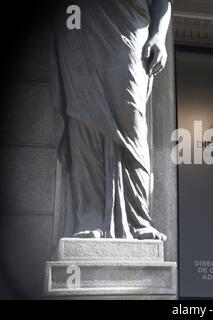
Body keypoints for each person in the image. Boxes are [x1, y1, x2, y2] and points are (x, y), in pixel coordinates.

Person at [50, 0, 173, 240]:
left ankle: (138, 219)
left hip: (130, 21)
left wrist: (158, 35)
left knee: (131, 116)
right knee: (83, 117)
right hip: (79, 24)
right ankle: (91, 217)